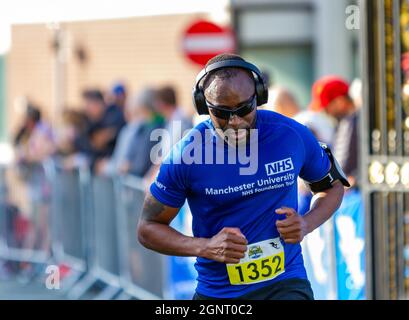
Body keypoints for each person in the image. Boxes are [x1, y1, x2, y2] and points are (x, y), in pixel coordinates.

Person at [137, 54, 348, 300]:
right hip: (219, 293)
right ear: (204, 105)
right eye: (222, 112)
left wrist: (306, 223)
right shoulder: (187, 154)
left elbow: (332, 187)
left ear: (258, 97)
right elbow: (147, 228)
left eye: (244, 108)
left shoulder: (291, 135)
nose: (235, 121)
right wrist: (205, 247)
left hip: (286, 282)